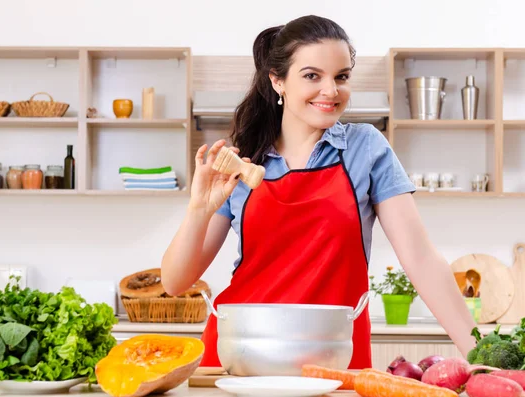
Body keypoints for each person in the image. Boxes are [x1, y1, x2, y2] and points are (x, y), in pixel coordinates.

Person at [161, 14, 476, 369]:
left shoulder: (365, 149)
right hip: (243, 357)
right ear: (278, 81)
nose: (331, 90)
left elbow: (421, 259)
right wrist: (199, 210)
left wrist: (480, 353)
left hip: (334, 358)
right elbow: (175, 281)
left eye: (341, 77)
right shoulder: (242, 163)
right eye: (312, 76)